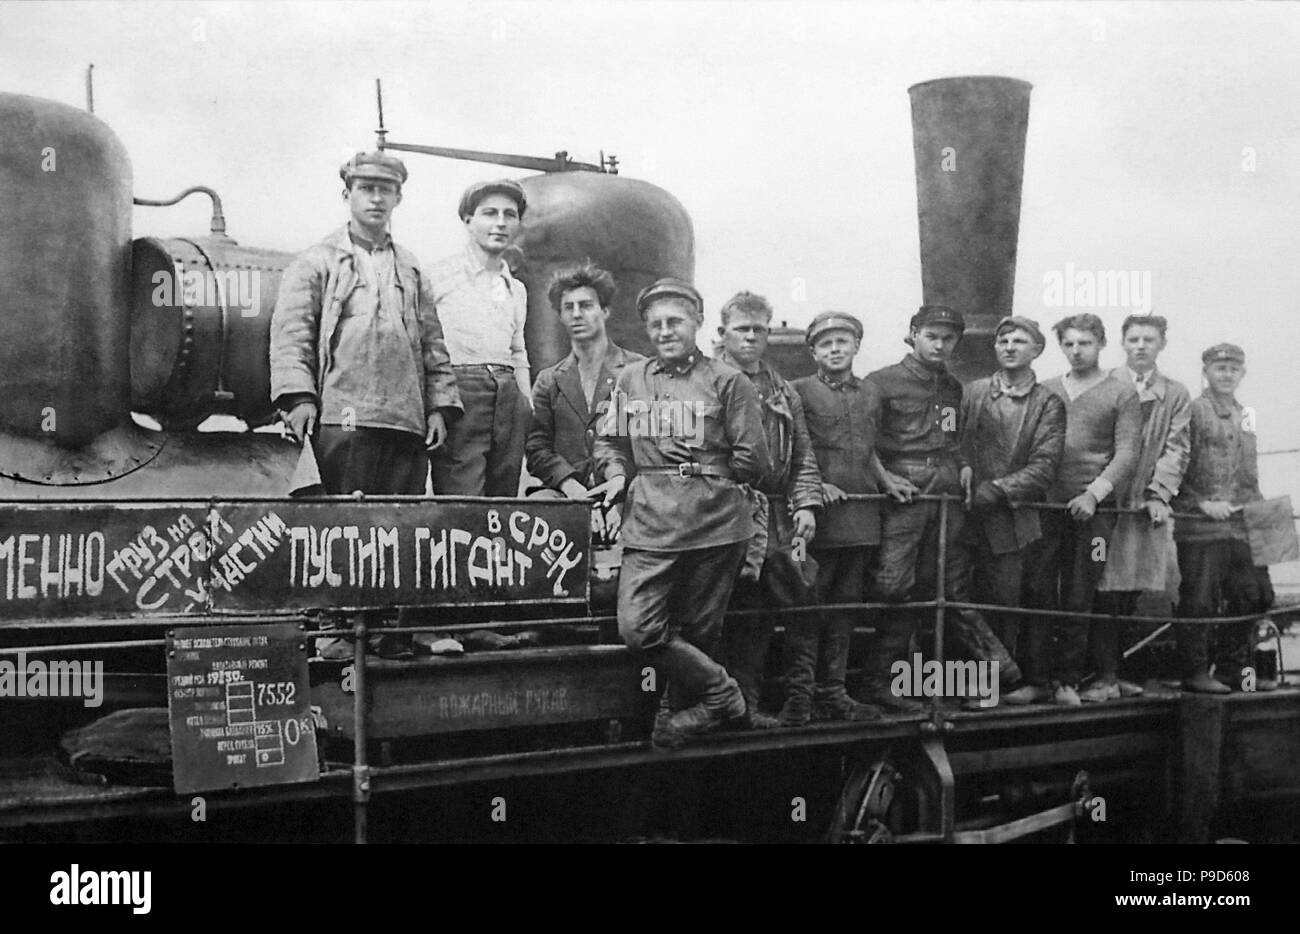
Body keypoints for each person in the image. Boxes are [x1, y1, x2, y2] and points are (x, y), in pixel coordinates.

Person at [269, 151, 462, 658]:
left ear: (398, 197)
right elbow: (292, 334)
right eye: (365, 188)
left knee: (393, 531)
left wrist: (439, 406)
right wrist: (299, 398)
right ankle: (333, 634)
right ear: (348, 194)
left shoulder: (412, 267)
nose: (376, 197)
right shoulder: (317, 260)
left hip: (402, 419)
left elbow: (433, 344)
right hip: (342, 417)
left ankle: (381, 634)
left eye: (385, 189)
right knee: (339, 528)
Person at [592, 278, 770, 750]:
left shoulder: (728, 381)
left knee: (699, 629)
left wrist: (706, 477)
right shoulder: (630, 379)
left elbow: (755, 460)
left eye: (675, 321)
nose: (665, 331)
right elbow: (610, 440)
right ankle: (722, 694)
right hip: (650, 520)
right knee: (639, 627)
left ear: (696, 323)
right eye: (655, 325)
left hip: (715, 522)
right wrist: (615, 475)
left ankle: (675, 718)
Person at [863, 305, 1019, 712]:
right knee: (895, 586)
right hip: (906, 492)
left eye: (948, 338)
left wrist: (965, 465)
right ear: (913, 334)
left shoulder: (952, 388)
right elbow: (861, 444)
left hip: (947, 491)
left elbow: (953, 439)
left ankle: (980, 672)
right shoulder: (881, 383)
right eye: (931, 335)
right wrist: (885, 479)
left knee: (945, 588)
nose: (939, 344)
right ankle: (880, 681)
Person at [713, 292, 825, 729]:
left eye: (759, 329)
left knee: (801, 595)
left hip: (780, 516)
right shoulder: (710, 381)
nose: (751, 337)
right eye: (742, 329)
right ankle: (742, 706)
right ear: (722, 334)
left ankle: (801, 700)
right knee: (741, 611)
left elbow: (803, 455)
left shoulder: (781, 390)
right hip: (729, 512)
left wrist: (808, 505)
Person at [1023, 313, 1141, 705]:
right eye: (1069, 344)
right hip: (1046, 506)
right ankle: (1037, 678)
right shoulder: (1047, 389)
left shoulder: (1121, 391)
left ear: (1101, 345)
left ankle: (1068, 681)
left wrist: (1094, 494)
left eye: (1084, 343)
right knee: (1038, 588)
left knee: (1080, 591)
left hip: (1095, 513)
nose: (1076, 351)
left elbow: (1127, 453)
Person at [781, 311, 885, 724]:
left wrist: (886, 477)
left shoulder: (871, 393)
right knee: (806, 608)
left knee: (844, 612)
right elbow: (791, 450)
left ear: (856, 346)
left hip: (861, 516)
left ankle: (834, 693)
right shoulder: (798, 392)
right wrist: (817, 486)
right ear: (813, 352)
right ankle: (799, 696)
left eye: (843, 342)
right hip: (818, 522)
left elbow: (868, 447)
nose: (835, 349)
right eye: (825, 344)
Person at [959, 316, 1067, 706]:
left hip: (1017, 518)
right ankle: (979, 681)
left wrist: (998, 490)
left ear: (1036, 350)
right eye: (1003, 340)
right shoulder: (972, 393)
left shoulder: (1047, 404)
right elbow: (957, 442)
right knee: (966, 598)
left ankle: (1023, 684)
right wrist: (965, 469)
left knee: (1011, 599)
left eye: (1019, 340)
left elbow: (1044, 467)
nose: (1009, 346)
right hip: (966, 515)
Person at [1091, 314, 1191, 701]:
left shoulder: (1175, 394)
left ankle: (1116, 672)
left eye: (1149, 339)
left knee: (1133, 587)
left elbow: (1176, 448)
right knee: (1101, 588)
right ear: (1122, 343)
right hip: (1106, 504)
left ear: (1161, 344)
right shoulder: (1104, 384)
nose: (1140, 346)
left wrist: (1158, 494)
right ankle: (1101, 675)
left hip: (1145, 507)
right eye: (1133, 339)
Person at [1172, 343, 1275, 693]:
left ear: (1243, 374)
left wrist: (1263, 521)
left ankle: (1233, 670)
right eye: (1220, 368)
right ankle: (1195, 673)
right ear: (1206, 372)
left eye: (1234, 369)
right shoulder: (1193, 410)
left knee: (1256, 595)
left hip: (1240, 524)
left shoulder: (1247, 415)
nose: (1227, 374)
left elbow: (1250, 476)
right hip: (1199, 525)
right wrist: (1201, 503)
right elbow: (1174, 467)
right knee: (1199, 599)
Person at [526, 262, 643, 545]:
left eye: (586, 305)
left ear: (604, 311)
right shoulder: (549, 380)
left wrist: (616, 500)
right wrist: (572, 490)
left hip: (626, 489)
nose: (577, 314)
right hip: (568, 494)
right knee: (536, 514)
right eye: (569, 307)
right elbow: (537, 448)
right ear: (560, 315)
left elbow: (647, 444)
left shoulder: (638, 370)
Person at [429, 179, 532, 496]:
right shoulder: (438, 276)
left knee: (503, 500)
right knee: (463, 500)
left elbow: (518, 351)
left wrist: (526, 405)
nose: (500, 223)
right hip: (461, 393)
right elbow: (423, 345)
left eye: (509, 215)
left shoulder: (515, 288)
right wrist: (437, 405)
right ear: (468, 220)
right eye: (490, 213)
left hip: (508, 396)